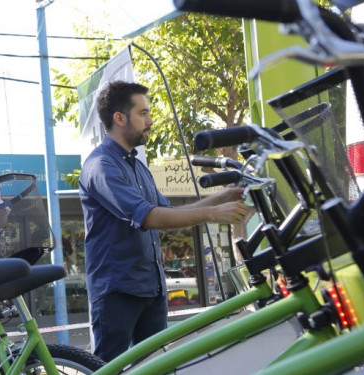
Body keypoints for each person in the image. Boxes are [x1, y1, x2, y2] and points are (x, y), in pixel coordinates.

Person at [79, 80, 250, 362]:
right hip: (118, 291)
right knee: (109, 368)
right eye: (143, 113)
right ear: (119, 118)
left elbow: (168, 211)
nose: (150, 120)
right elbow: (150, 217)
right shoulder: (101, 166)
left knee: (157, 367)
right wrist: (212, 215)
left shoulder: (137, 165)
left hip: (151, 287)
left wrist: (222, 196)